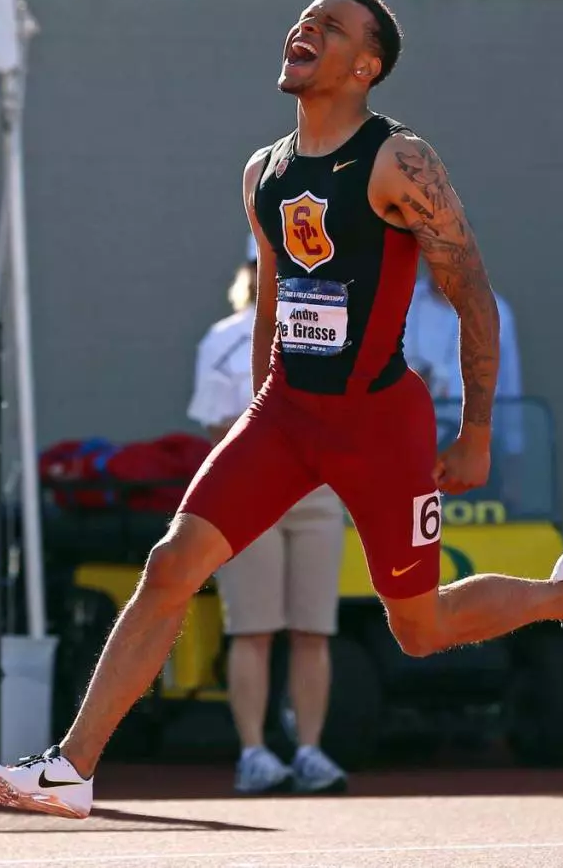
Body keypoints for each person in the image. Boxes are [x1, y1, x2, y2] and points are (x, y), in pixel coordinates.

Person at [0, 0, 563, 819]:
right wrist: (260, 416)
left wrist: (474, 431)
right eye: (304, 19)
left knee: (420, 628)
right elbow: (272, 301)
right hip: (285, 416)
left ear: (366, 67)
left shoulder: (400, 160)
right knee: (171, 563)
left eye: (331, 26)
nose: (305, 28)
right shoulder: (263, 171)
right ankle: (72, 768)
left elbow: (472, 292)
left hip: (379, 422)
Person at [186, 236, 347, 795]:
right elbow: (215, 424)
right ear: (251, 271)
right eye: (266, 263)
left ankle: (310, 751)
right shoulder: (224, 338)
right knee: (252, 628)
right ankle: (253, 753)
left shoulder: (331, 327)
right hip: (251, 493)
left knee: (313, 629)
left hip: (318, 492)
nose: (276, 274)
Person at [404, 271, 526, 511]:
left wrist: (513, 471)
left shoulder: (495, 310)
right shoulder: (401, 302)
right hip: (404, 450)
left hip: (468, 455)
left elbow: (510, 394)